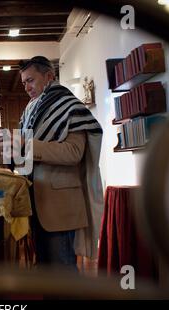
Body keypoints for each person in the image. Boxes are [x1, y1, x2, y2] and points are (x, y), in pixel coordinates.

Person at [18, 56, 104, 268]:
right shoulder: (30, 109)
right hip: (35, 200)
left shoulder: (70, 105)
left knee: (63, 271)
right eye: (23, 83)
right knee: (47, 273)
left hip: (60, 205)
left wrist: (26, 145)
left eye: (30, 80)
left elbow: (74, 153)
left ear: (49, 76)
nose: (26, 87)